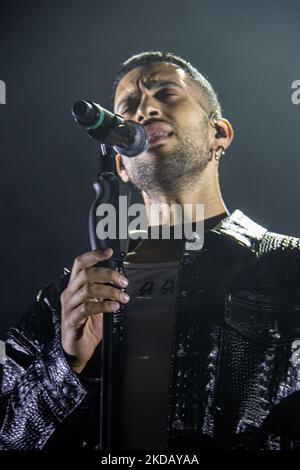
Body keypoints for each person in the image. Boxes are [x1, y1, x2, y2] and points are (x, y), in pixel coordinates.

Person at [1, 51, 300, 451]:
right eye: (128, 106)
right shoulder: (63, 302)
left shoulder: (290, 266)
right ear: (121, 165)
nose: (145, 109)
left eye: (167, 92)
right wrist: (65, 362)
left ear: (220, 134)